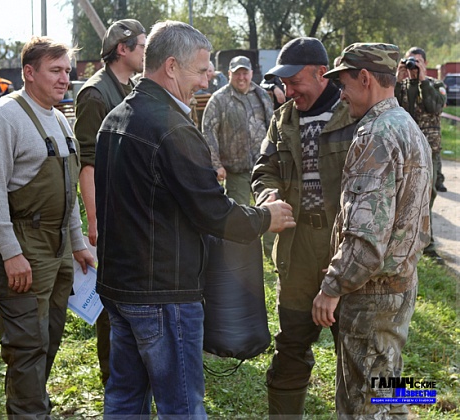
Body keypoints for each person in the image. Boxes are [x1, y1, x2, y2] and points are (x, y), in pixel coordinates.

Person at [94, 20, 295, 417]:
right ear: (171, 66)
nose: (206, 81)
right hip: (162, 293)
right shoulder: (172, 129)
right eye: (201, 71)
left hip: (119, 287)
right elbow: (213, 212)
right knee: (181, 406)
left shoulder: (116, 117)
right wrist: (265, 218)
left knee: (124, 399)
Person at [0, 36, 94, 416]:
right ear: (29, 72)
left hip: (59, 247)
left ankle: (33, 404)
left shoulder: (59, 118)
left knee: (49, 334)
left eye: (67, 71)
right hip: (25, 244)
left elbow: (68, 189)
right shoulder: (2, 117)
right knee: (26, 342)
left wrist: (77, 242)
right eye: (55, 70)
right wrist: (11, 253)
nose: (64, 79)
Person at [313, 42, 432, 418]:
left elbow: (366, 238)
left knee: (363, 405)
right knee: (388, 390)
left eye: (344, 84)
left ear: (365, 78)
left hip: (371, 297)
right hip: (399, 288)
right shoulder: (407, 126)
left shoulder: (375, 135)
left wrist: (331, 288)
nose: (341, 94)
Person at [251, 37, 358, 418]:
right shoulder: (283, 119)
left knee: (363, 354)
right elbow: (263, 169)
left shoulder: (355, 113)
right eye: (285, 83)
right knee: (291, 347)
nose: (289, 91)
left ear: (321, 73)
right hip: (296, 249)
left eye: (295, 81)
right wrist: (268, 195)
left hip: (346, 246)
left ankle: (385, 408)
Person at [74, 18, 146, 388]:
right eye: (142, 46)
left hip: (131, 209)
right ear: (122, 48)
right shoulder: (95, 94)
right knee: (110, 297)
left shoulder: (131, 87)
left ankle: (133, 369)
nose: (146, 52)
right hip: (109, 212)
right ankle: (112, 378)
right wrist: (95, 220)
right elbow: (87, 164)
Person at [395, 46, 447, 264]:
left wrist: (423, 80)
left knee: (428, 194)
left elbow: (435, 107)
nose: (413, 66)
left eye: (417, 62)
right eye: (410, 61)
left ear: (425, 63)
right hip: (405, 150)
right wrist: (398, 79)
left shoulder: (436, 85)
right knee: (403, 196)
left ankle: (427, 244)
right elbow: (389, 105)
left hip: (429, 150)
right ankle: (406, 243)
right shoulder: (400, 86)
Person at [202, 55, 273, 205]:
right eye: (237, 73)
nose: (241, 78)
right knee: (240, 217)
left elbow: (273, 129)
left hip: (263, 170)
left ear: (251, 74)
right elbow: (208, 133)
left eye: (245, 73)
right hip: (236, 173)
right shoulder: (218, 99)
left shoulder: (262, 95)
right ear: (229, 74)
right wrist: (216, 165)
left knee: (269, 214)